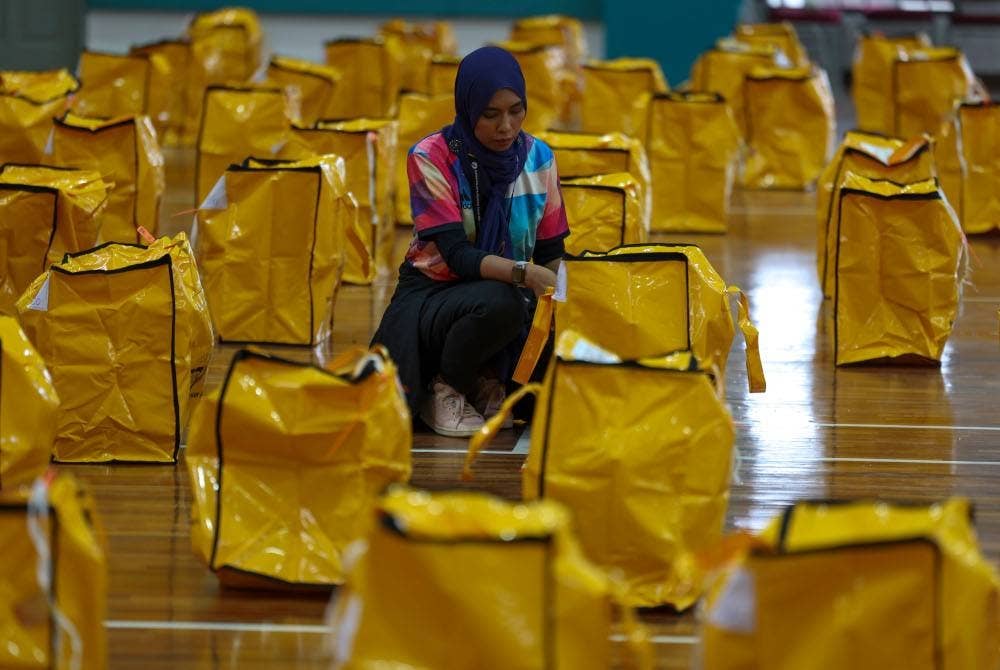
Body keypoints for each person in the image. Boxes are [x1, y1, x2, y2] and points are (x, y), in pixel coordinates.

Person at [371, 45, 569, 438]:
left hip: (514, 292)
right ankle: (444, 386)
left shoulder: (539, 159)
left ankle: (486, 377)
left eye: (516, 111)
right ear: (467, 108)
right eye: (490, 114)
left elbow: (550, 252)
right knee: (502, 303)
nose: (506, 127)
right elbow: (458, 257)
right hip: (433, 296)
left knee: (547, 371)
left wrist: (558, 304)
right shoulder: (431, 157)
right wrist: (524, 274)